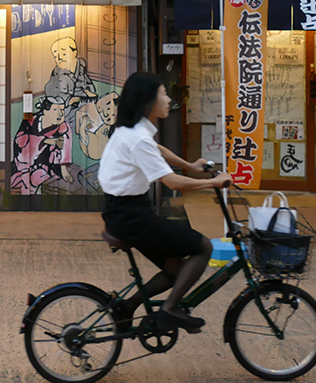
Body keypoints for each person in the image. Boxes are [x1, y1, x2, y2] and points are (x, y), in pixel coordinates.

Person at [99, 72, 231, 333]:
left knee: (175, 270)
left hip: (125, 212)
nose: (169, 99)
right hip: (132, 217)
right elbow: (172, 183)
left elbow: (159, 151)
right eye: (164, 94)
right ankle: (170, 309)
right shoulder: (136, 138)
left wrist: (190, 165)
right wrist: (213, 183)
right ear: (149, 101)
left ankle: (128, 306)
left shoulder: (133, 131)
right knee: (203, 246)